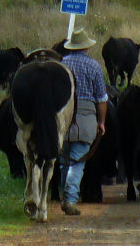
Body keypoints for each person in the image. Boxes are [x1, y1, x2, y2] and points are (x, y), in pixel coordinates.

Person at [58, 28, 108, 216]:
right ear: (86, 47)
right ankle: (70, 199)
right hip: (86, 116)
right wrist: (101, 122)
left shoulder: (62, 64)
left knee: (64, 161)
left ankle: (64, 195)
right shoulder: (94, 66)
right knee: (78, 161)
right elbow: (102, 98)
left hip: (64, 115)